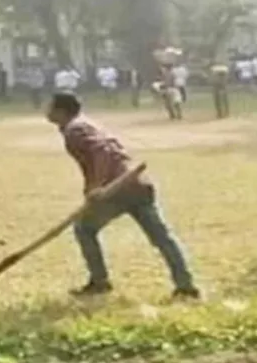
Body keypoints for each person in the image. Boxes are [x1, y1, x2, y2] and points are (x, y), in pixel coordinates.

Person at [46, 92, 200, 299]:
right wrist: (91, 188)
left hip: (116, 189)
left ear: (61, 111)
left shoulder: (75, 129)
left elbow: (103, 151)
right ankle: (186, 285)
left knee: (84, 229)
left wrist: (97, 185)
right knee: (163, 238)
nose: (46, 110)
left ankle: (99, 282)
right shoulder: (85, 124)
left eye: (50, 107)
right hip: (137, 183)